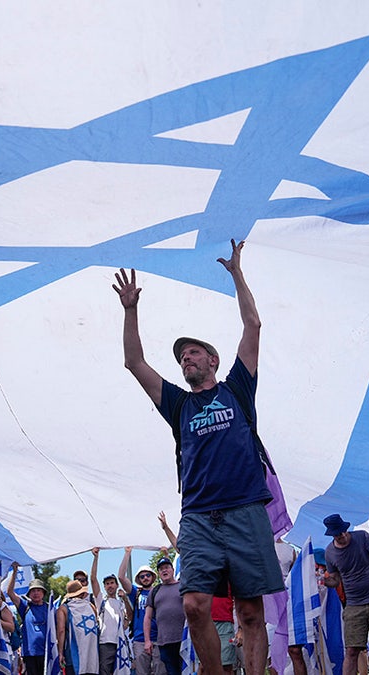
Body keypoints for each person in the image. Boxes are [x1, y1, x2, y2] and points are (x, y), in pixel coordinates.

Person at [113, 240, 284, 675]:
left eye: (192, 353)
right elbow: (134, 362)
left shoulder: (237, 389)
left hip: (246, 509)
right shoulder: (177, 404)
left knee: (248, 612)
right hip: (199, 516)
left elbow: (253, 325)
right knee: (193, 604)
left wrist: (236, 274)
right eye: (181, 356)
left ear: (212, 360)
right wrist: (130, 310)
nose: (185, 358)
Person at [321, 514, 369, 675]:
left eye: (343, 531)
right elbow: (335, 580)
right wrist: (321, 580)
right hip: (354, 605)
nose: (342, 535)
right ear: (332, 534)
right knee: (351, 650)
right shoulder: (330, 552)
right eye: (338, 534)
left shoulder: (362, 537)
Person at [118, 548, 164, 675]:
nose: (145, 578)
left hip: (159, 638)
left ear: (153, 577)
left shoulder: (160, 591)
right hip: (139, 639)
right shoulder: (135, 593)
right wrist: (127, 553)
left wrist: (166, 554)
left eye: (148, 575)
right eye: (142, 576)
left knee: (161, 672)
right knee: (142, 672)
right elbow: (121, 577)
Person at [144, 557, 185, 675]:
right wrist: (147, 641)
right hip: (164, 642)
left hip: (184, 640)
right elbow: (147, 617)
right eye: (161, 569)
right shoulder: (155, 591)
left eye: (166, 567)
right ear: (158, 573)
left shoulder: (183, 586)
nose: (164, 571)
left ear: (172, 570)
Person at [7, 564, 49, 675]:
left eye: (38, 590)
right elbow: (10, 593)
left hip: (46, 652)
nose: (36, 593)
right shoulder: (25, 606)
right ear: (29, 593)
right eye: (33, 591)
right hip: (29, 653)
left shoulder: (50, 609)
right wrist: (15, 572)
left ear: (43, 593)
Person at [90, 548, 126, 675]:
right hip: (106, 643)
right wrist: (96, 558)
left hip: (122, 643)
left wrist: (125, 599)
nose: (110, 585)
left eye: (112, 583)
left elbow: (128, 622)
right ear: (104, 587)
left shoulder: (122, 602)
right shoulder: (101, 601)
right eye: (107, 584)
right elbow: (93, 579)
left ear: (117, 585)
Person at [58, 580, 101, 675]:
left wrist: (60, 652)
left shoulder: (63, 609)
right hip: (92, 656)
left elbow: (61, 631)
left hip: (73, 655)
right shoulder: (91, 606)